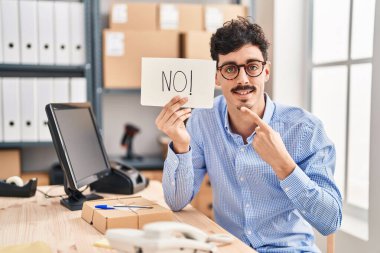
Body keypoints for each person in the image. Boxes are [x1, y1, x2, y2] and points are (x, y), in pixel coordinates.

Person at [155, 17, 342, 252]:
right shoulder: (203, 120)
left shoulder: (305, 130)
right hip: (232, 248)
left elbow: (330, 221)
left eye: (252, 67)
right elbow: (176, 201)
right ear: (217, 77)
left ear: (266, 71)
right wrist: (180, 145)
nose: (242, 79)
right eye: (230, 69)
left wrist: (283, 165)